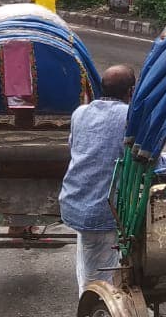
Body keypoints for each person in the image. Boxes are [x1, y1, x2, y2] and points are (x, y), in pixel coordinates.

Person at [59, 64, 136, 294]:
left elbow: (74, 147)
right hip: (103, 209)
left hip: (74, 201)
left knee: (90, 259)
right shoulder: (128, 116)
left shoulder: (80, 113)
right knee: (101, 273)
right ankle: (97, 300)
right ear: (131, 92)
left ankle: (92, 294)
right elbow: (139, 157)